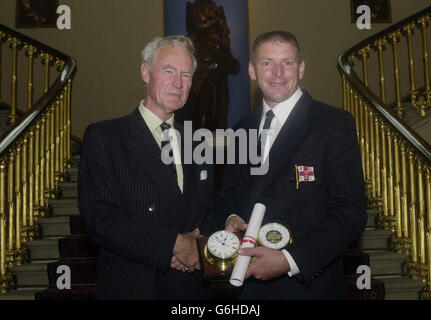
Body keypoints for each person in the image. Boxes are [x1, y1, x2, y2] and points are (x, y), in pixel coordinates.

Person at [216, 31, 367, 299]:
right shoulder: (241, 128)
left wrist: (289, 259)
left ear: (301, 68)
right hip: (249, 289)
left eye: (287, 62)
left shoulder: (332, 124)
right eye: (267, 63)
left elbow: (350, 213)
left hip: (308, 286)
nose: (277, 73)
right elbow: (227, 195)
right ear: (252, 70)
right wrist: (232, 218)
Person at [78, 35, 214, 300]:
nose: (178, 83)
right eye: (169, 71)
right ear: (145, 72)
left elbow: (205, 210)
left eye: (186, 74)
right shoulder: (105, 136)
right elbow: (99, 218)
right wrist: (173, 245)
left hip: (189, 290)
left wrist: (199, 247)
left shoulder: (197, 141)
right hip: (134, 286)